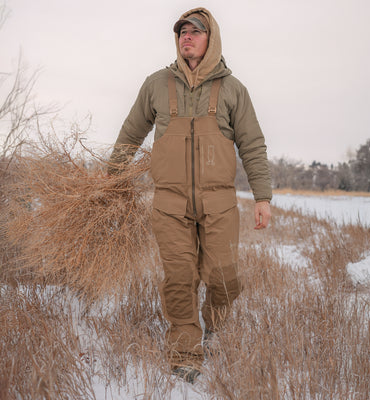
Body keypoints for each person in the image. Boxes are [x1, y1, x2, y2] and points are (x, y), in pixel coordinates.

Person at [108, 7, 272, 383]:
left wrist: (262, 196)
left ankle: (213, 325)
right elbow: (130, 134)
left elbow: (253, 145)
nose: (187, 36)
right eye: (182, 31)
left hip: (220, 204)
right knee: (179, 278)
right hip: (169, 204)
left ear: (210, 38)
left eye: (195, 31)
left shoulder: (233, 89)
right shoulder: (156, 84)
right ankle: (185, 353)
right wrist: (110, 181)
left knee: (224, 278)